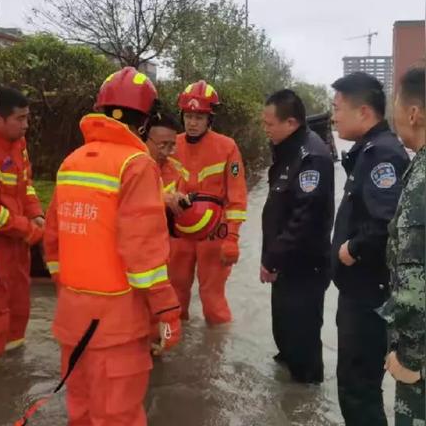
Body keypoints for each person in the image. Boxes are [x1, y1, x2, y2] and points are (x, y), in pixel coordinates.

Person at [44, 67, 181, 425]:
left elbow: (53, 243)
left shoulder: (71, 162)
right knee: (118, 416)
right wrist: (167, 312)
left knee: (81, 409)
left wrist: (73, 295)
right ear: (145, 122)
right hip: (118, 327)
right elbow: (143, 254)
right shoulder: (137, 165)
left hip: (72, 321)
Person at [331, 72, 410, 426]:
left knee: (359, 388)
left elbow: (387, 221)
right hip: (361, 292)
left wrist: (353, 248)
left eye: (336, 108)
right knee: (354, 383)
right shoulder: (368, 151)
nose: (332, 117)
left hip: (368, 296)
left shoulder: (382, 156)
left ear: (363, 112)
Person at [260, 89, 334, 384]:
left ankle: (305, 399)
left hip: (304, 266)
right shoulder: (286, 149)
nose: (265, 129)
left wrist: (273, 259)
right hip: (284, 264)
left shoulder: (311, 157)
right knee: (285, 330)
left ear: (290, 122)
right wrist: (271, 258)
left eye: (269, 124)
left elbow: (304, 220)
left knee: (303, 338)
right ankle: (287, 378)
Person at [0, 87, 44, 362]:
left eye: (27, 118)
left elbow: (26, 186)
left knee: (18, 309)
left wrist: (36, 214)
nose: (26, 125)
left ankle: (12, 374)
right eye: (20, 119)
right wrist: (29, 229)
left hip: (17, 246)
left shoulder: (18, 143)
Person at [169, 80, 247, 324]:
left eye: (199, 117)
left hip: (214, 234)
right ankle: (174, 346)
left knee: (212, 298)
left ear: (209, 119)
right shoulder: (171, 144)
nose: (192, 123)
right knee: (174, 294)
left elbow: (237, 196)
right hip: (178, 232)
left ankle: (216, 352)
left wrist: (232, 238)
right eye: (189, 116)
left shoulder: (227, 147)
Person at [380, 67, 425, 425]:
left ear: (413, 113)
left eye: (396, 104)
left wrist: (409, 360)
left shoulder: (421, 181)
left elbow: (415, 282)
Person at [145, 110, 187, 215]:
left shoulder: (175, 172)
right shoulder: (128, 166)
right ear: (144, 139)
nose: (166, 152)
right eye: (162, 145)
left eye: (171, 146)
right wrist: (161, 199)